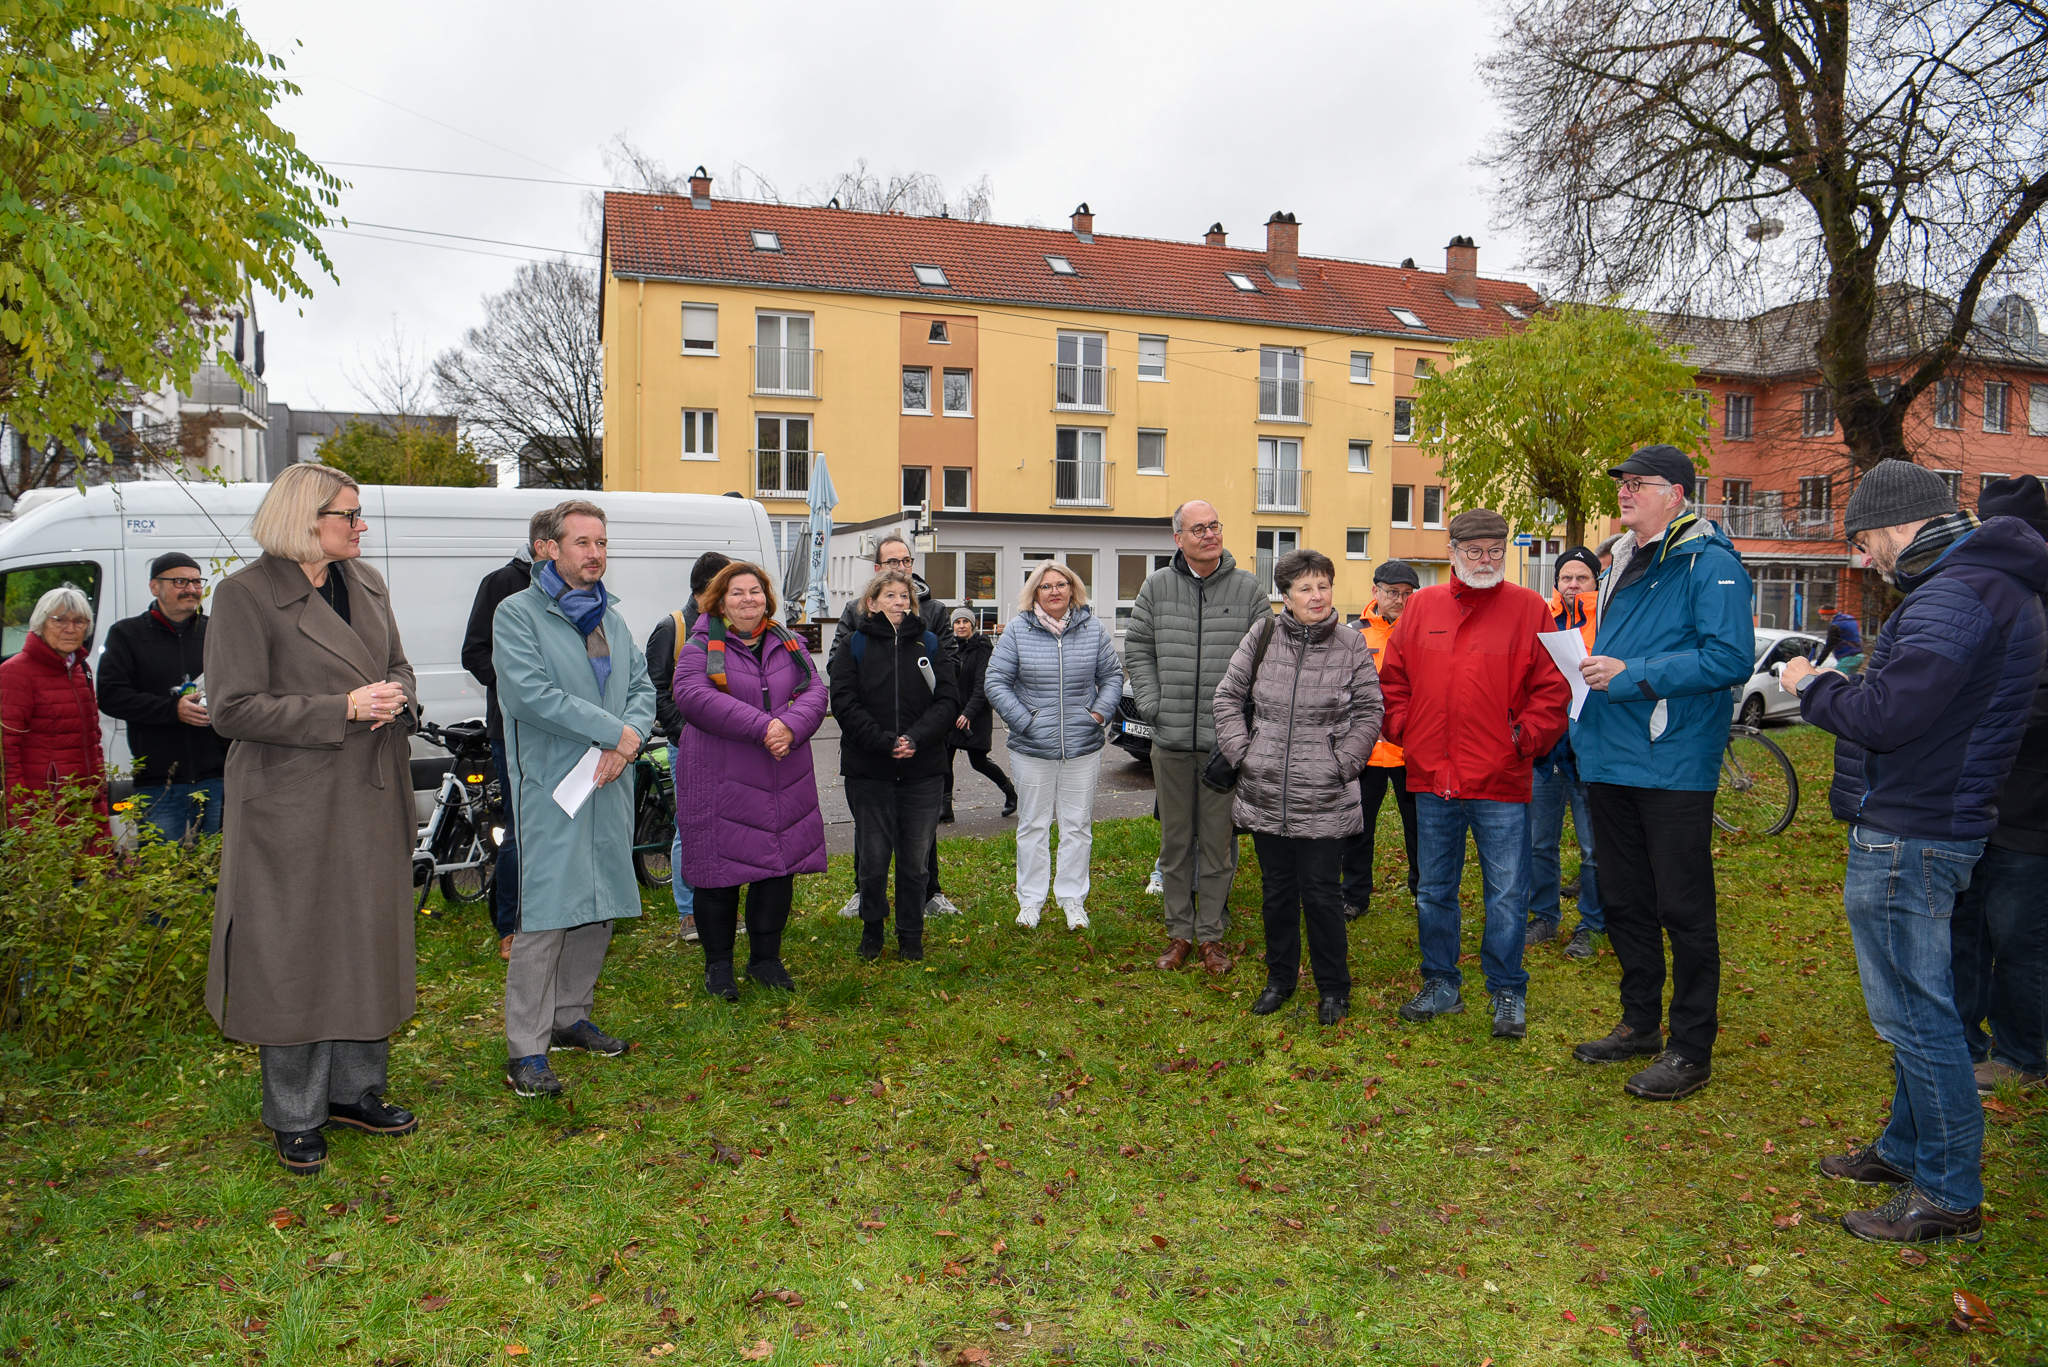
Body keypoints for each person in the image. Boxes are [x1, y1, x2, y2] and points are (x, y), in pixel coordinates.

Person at [1783, 460, 2046, 1244]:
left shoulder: (1957, 593)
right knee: (1920, 1005)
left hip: (1915, 830)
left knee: (1917, 1018)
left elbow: (1890, 714)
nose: (1866, 559)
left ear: (1898, 523)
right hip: (1937, 819)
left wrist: (1812, 683)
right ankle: (1905, 1149)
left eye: (1865, 541)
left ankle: (1947, 1193)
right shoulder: (1987, 586)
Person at [203, 464, 421, 1176]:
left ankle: (357, 1090)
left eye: (360, 515)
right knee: (292, 950)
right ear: (306, 517)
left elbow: (398, 665)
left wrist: (398, 699)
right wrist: (343, 710)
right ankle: (295, 1112)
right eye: (349, 515)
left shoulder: (369, 584)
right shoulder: (245, 596)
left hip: (367, 791)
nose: (362, 527)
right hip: (291, 805)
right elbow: (232, 708)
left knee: (365, 939)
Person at [1570, 446, 1754, 1102]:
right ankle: (1641, 1021)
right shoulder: (1619, 556)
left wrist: (1636, 675)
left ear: (1675, 493)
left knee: (1682, 906)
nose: (1624, 491)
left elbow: (1729, 657)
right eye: (1621, 481)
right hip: (1609, 753)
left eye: (1637, 482)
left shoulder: (1710, 563)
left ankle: (1691, 1047)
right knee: (1622, 897)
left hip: (1672, 759)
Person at [1378, 508, 1569, 1040]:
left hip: (1500, 778)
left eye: (1494, 551)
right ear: (1452, 553)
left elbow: (1552, 689)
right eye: (1474, 551)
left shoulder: (1530, 609)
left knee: (1507, 891)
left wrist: (1522, 740)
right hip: (1432, 775)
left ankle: (1507, 987)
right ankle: (1441, 982)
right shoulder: (1421, 608)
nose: (1485, 561)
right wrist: (1405, 730)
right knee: (1434, 888)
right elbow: (1393, 681)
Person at [493, 499, 657, 1098]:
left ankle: (569, 1016)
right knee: (545, 914)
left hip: (610, 779)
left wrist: (629, 739)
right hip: (552, 788)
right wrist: (615, 732)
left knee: (599, 902)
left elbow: (641, 686)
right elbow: (531, 695)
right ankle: (527, 1050)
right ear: (551, 548)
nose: (595, 554)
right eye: (583, 542)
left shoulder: (612, 619)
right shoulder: (517, 615)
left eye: (602, 543)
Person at [1212, 549, 1382, 1025]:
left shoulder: (1351, 643)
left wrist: (1343, 762)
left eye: (1323, 585)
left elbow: (1371, 711)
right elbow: (1228, 695)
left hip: (1325, 793)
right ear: (1285, 594)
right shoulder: (1263, 634)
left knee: (1323, 895)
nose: (1317, 595)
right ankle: (1279, 979)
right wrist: (1243, 753)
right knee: (1277, 892)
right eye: (1305, 587)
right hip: (1265, 789)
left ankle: (1333, 988)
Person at [1123, 501, 1266, 974]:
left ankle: (1211, 936)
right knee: (1176, 841)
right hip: (1171, 739)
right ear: (1178, 538)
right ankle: (1179, 933)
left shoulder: (1247, 589)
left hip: (1225, 745)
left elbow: (1268, 657)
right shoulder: (1156, 587)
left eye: (1215, 526)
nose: (1210, 535)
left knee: (1219, 844)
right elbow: (1138, 646)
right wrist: (1153, 704)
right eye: (1198, 528)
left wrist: (1245, 722)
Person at [675, 561, 828, 993]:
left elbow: (815, 691)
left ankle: (766, 960)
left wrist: (790, 727)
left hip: (782, 772)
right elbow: (691, 695)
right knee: (717, 873)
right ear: (720, 600)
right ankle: (718, 966)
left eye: (755, 591)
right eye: (737, 592)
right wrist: (763, 726)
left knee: (776, 869)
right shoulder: (701, 645)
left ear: (768, 598)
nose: (748, 599)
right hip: (721, 775)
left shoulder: (791, 643)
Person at [1950, 475, 2048, 1094]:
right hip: (1977, 799)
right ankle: (1963, 1040)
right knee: (1965, 924)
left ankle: (2022, 1054)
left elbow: (2032, 704)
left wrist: (1971, 717)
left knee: (2018, 935)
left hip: (2031, 805)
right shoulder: (1989, 594)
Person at [985, 559, 1124, 931]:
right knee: (1033, 825)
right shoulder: (1016, 631)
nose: (1054, 591)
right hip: (1032, 747)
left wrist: (1097, 715)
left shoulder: (1093, 629)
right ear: (1035, 592)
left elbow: (1111, 675)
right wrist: (1026, 721)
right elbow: (996, 681)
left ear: (1073, 589)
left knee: (1077, 825)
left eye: (1061, 584)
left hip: (1083, 745)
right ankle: (1030, 901)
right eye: (1046, 586)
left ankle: (1072, 899)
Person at [829, 569, 960, 960]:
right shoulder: (854, 645)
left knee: (915, 862)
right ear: (871, 603)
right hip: (870, 770)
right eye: (890, 595)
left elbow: (949, 700)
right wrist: (885, 743)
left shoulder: (931, 644)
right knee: (872, 861)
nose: (899, 602)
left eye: (905, 596)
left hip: (923, 770)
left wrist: (915, 739)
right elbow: (844, 703)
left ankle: (911, 938)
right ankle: (872, 931)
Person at [96, 553, 230, 843]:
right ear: (154, 587)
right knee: (162, 878)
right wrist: (172, 710)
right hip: (159, 782)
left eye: (196, 581)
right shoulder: (126, 635)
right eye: (180, 581)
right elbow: (110, 696)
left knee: (217, 876)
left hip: (217, 778)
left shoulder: (217, 632)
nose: (192, 589)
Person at [461, 518, 544, 957]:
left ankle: (558, 918)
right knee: (521, 830)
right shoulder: (501, 583)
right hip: (512, 730)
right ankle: (510, 926)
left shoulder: (576, 590)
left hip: (567, 731)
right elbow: (474, 652)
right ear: (544, 544)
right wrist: (522, 687)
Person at [647, 550, 733, 944]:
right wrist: (684, 733)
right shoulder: (673, 627)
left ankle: (720, 907)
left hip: (730, 745)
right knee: (690, 827)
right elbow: (655, 691)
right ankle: (689, 914)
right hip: (689, 745)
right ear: (708, 587)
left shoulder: (728, 627)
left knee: (726, 826)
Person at [1526, 546, 1605, 960]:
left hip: (1592, 749)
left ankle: (1591, 923)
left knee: (1594, 847)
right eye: (1566, 578)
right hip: (1547, 750)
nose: (1573, 585)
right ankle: (1544, 915)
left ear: (1596, 582)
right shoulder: (1542, 620)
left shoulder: (1609, 621)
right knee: (1541, 841)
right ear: (1556, 582)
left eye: (1583, 578)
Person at [1340, 560, 1421, 920]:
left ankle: (1425, 893)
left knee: (1420, 827)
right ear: (1375, 592)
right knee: (1358, 827)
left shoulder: (1424, 632)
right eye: (1392, 592)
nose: (1399, 600)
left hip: (1411, 749)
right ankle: (1354, 896)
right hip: (1366, 750)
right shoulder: (1351, 635)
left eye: (1406, 594)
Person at [1, 584, 108, 837]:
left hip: (85, 804)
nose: (70, 629)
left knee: (91, 873)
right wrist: (20, 817)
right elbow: (6, 754)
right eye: (59, 620)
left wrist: (99, 791)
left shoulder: (82, 669)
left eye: (79, 621)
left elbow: (93, 739)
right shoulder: (15, 672)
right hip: (42, 808)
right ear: (40, 623)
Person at [943, 608, 1017, 820]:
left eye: (966, 621)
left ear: (973, 625)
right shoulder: (951, 648)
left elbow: (982, 685)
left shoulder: (982, 648)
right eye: (958, 622)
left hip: (975, 715)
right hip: (953, 714)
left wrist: (968, 713)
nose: (962, 626)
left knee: (978, 761)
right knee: (944, 760)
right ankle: (945, 809)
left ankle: (1010, 793)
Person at [1822, 607, 1864, 674]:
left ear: (1829, 614)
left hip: (1847, 658)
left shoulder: (1835, 625)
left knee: (1839, 680)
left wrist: (1818, 663)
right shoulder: (1849, 618)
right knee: (1850, 681)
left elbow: (1829, 646)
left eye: (1822, 615)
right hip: (1858, 656)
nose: (1822, 618)